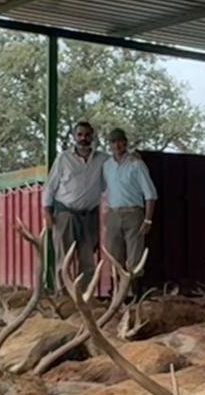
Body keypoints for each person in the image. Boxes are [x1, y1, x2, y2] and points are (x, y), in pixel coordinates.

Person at [42, 120, 105, 280]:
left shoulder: (103, 159)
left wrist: (133, 155)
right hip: (65, 214)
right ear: (74, 137)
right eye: (80, 135)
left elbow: (120, 159)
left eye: (87, 135)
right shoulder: (63, 159)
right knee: (63, 260)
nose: (83, 138)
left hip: (89, 216)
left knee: (88, 261)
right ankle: (62, 300)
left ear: (92, 137)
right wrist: (47, 212)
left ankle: (84, 299)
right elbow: (50, 187)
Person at [102, 127, 157, 273]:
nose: (117, 146)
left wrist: (148, 220)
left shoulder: (136, 164)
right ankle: (119, 292)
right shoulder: (107, 166)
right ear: (110, 145)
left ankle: (134, 293)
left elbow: (150, 194)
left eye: (120, 142)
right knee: (114, 257)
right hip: (114, 214)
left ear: (125, 143)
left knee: (135, 258)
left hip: (133, 214)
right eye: (113, 142)